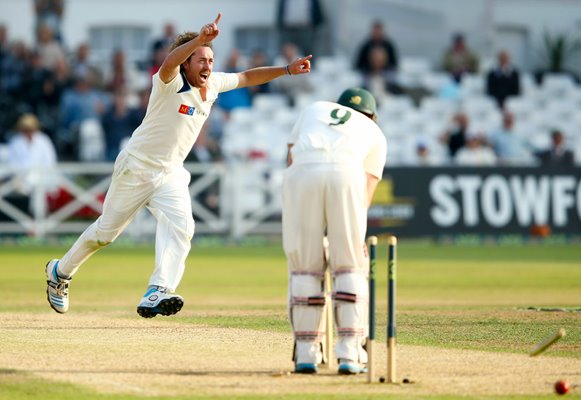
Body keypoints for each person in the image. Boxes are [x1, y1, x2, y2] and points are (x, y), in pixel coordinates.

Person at [45, 13, 312, 318]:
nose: (208, 66)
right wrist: (199, 39)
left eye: (211, 60)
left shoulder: (212, 84)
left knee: (183, 227)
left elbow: (248, 77)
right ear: (187, 62)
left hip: (170, 172)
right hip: (137, 167)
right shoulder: (168, 82)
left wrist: (287, 70)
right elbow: (169, 63)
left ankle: (157, 290)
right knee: (105, 234)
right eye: (201, 59)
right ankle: (60, 272)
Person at [282, 88, 387, 375]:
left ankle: (306, 354)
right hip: (347, 174)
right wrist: (350, 240)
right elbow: (363, 196)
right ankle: (351, 355)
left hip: (302, 172)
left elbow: (291, 158)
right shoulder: (374, 132)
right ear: (373, 117)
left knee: (305, 267)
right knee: (349, 266)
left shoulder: (316, 109)